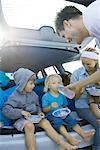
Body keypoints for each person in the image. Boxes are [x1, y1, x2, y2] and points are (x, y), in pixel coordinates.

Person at [2, 68, 77, 150]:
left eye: (34, 83)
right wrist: (21, 112)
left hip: (33, 118)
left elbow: (37, 106)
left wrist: (39, 112)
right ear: (22, 83)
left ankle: (61, 143)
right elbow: (6, 110)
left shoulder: (33, 94)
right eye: (31, 83)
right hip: (20, 120)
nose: (33, 85)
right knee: (29, 126)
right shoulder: (14, 96)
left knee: (45, 122)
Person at [55, 0, 100, 91]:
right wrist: (78, 85)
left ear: (67, 24)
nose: (67, 41)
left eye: (64, 36)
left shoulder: (93, 16)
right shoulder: (97, 38)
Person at [42, 74, 94, 147]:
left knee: (71, 120)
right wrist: (50, 106)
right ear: (48, 85)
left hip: (62, 113)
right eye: (54, 83)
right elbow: (44, 110)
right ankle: (68, 137)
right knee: (58, 122)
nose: (57, 85)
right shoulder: (46, 96)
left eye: (58, 83)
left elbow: (65, 105)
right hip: (51, 115)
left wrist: (66, 109)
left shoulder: (62, 95)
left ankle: (83, 134)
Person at [70, 48, 100, 150]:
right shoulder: (77, 74)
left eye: (88, 64)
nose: (86, 67)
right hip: (83, 106)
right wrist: (78, 91)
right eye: (83, 64)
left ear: (96, 61)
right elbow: (74, 97)